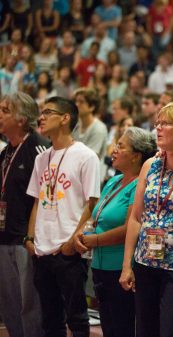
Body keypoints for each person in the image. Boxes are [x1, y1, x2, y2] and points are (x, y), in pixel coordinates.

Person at [119, 102, 173, 337]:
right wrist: (127, 264)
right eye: (157, 123)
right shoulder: (151, 164)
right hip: (146, 262)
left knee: (172, 330)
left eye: (164, 124)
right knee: (146, 330)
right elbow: (136, 217)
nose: (157, 128)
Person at [24, 96, 101, 337]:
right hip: (42, 249)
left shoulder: (86, 156)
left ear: (65, 118)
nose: (41, 117)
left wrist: (73, 241)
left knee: (77, 318)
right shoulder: (41, 157)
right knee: (50, 318)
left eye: (48, 112)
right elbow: (37, 200)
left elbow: (93, 204)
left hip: (69, 249)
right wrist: (30, 237)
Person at [73, 127, 156, 337]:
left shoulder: (139, 184)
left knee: (122, 327)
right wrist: (82, 232)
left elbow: (129, 228)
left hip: (121, 268)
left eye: (121, 146)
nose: (114, 150)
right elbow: (96, 214)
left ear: (137, 156)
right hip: (100, 266)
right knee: (109, 327)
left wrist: (95, 240)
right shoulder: (114, 180)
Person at [0, 92, 49, 337]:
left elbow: (47, 198)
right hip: (3, 237)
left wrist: (33, 237)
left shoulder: (39, 148)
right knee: (9, 305)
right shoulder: (6, 152)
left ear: (21, 119)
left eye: (5, 110)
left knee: (30, 305)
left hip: (26, 240)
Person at [72, 88, 108, 179]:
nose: (77, 104)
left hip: (93, 177)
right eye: (76, 101)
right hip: (76, 173)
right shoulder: (75, 125)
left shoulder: (99, 128)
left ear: (92, 107)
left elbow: (90, 157)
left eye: (81, 102)